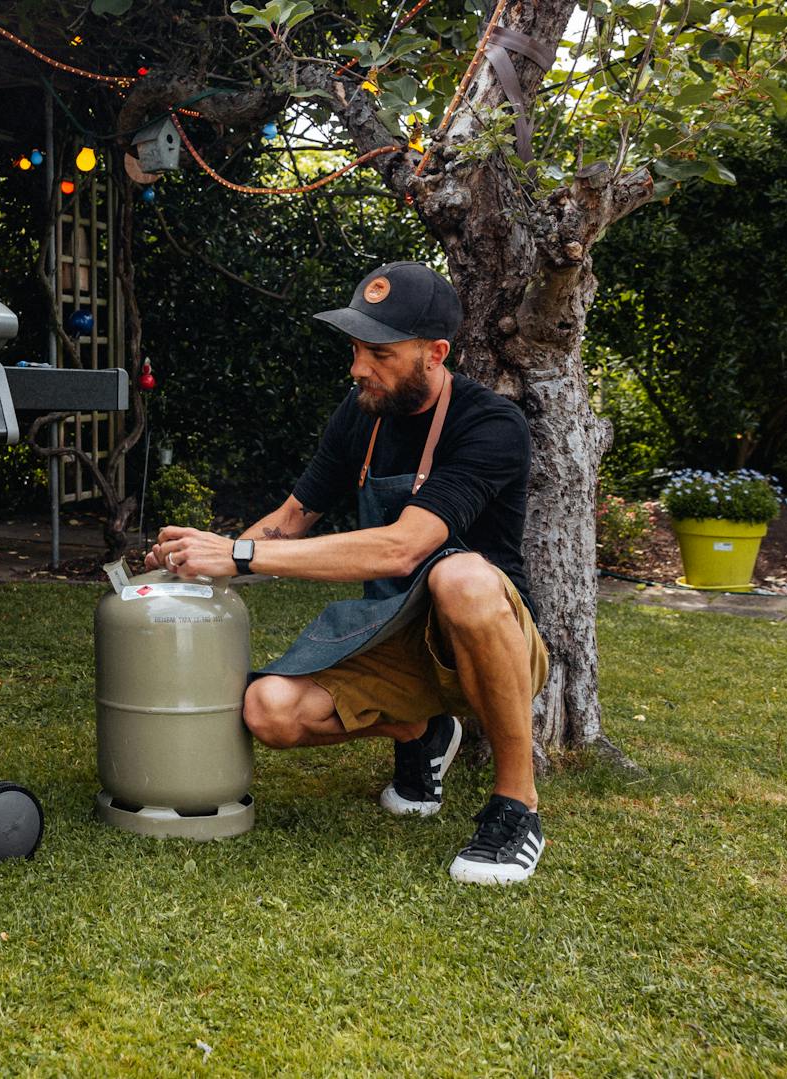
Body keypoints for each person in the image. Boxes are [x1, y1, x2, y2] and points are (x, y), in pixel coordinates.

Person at [144, 261, 550, 885]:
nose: (359, 367)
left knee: (460, 577)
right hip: (391, 634)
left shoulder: (491, 424)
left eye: (379, 353)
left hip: (490, 638)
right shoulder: (361, 414)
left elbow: (402, 548)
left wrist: (240, 555)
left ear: (435, 353)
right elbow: (292, 517)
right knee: (269, 709)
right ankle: (419, 729)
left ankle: (516, 806)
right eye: (357, 348)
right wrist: (191, 570)